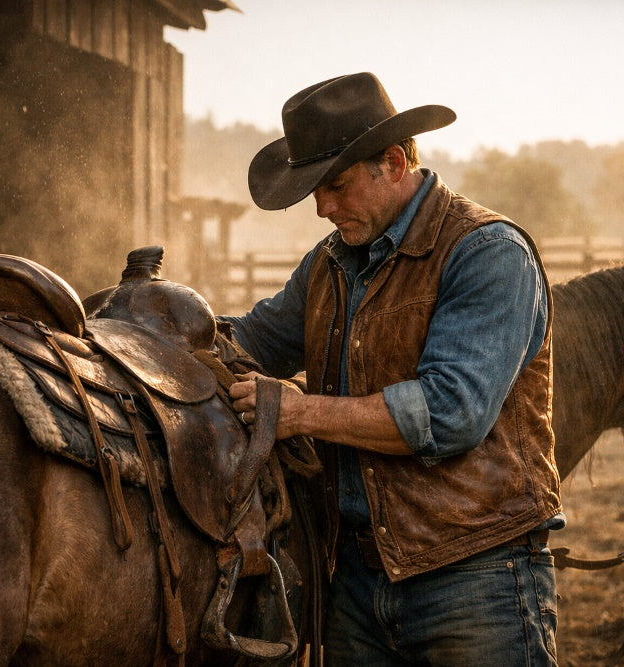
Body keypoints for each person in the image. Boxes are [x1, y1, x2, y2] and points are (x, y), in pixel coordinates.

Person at [224, 72, 564, 666]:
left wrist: (299, 411)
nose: (323, 209)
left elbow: (450, 412)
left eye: (337, 186)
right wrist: (151, 329)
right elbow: (251, 339)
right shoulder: (329, 264)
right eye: (315, 193)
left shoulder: (486, 253)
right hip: (354, 578)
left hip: (477, 575)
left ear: (395, 161)